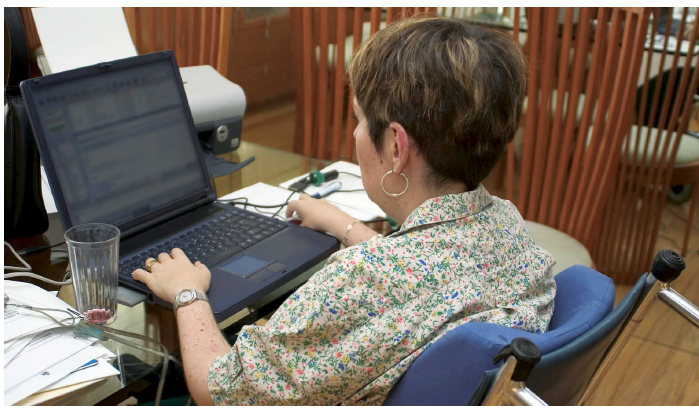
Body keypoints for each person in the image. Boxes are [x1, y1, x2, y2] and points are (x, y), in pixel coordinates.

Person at [132, 17, 556, 406]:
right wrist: (345, 225)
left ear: (395, 147)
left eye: (358, 119)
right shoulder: (507, 224)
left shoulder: (356, 281)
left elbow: (220, 389)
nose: (354, 133)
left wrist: (187, 293)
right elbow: (434, 285)